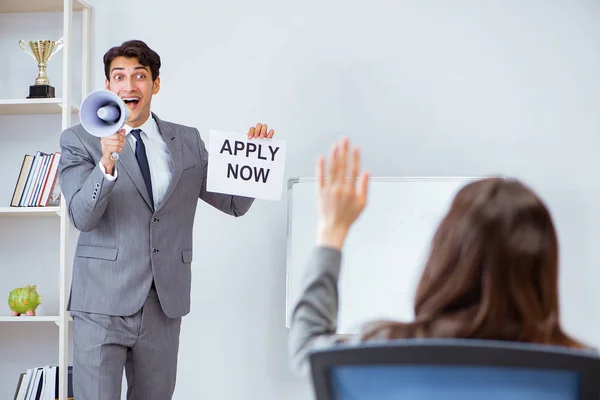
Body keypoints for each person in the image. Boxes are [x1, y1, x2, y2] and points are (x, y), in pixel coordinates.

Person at [58, 39, 275, 400]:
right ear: (108, 85)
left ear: (155, 85)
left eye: (139, 77)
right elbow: (82, 215)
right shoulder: (79, 139)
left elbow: (234, 203)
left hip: (162, 305)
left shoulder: (186, 141)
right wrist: (106, 164)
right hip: (100, 303)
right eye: (119, 77)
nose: (129, 86)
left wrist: (256, 161)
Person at [288, 137, 589, 376]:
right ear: (542, 272)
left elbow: (306, 349)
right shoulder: (582, 372)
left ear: (446, 255)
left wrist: (332, 231)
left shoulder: (381, 349)